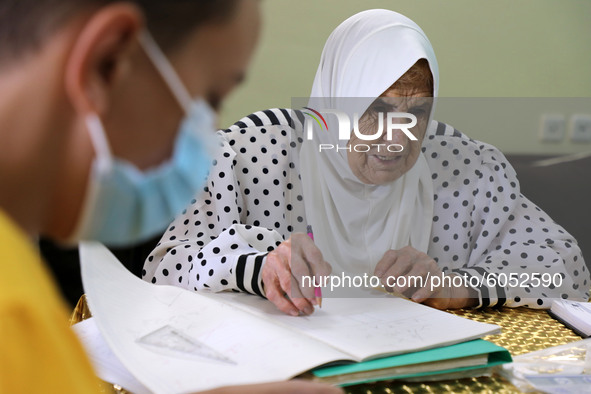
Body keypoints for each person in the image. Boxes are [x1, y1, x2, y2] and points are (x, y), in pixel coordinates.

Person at [143, 9, 589, 315]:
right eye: (376, 109)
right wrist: (256, 267)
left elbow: (566, 271)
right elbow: (163, 271)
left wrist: (460, 286)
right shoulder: (251, 153)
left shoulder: (464, 166)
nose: (397, 138)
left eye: (416, 113)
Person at [0, 0, 341, 393]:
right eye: (207, 99)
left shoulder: (19, 272)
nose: (209, 138)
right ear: (107, 62)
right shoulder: (13, 315)